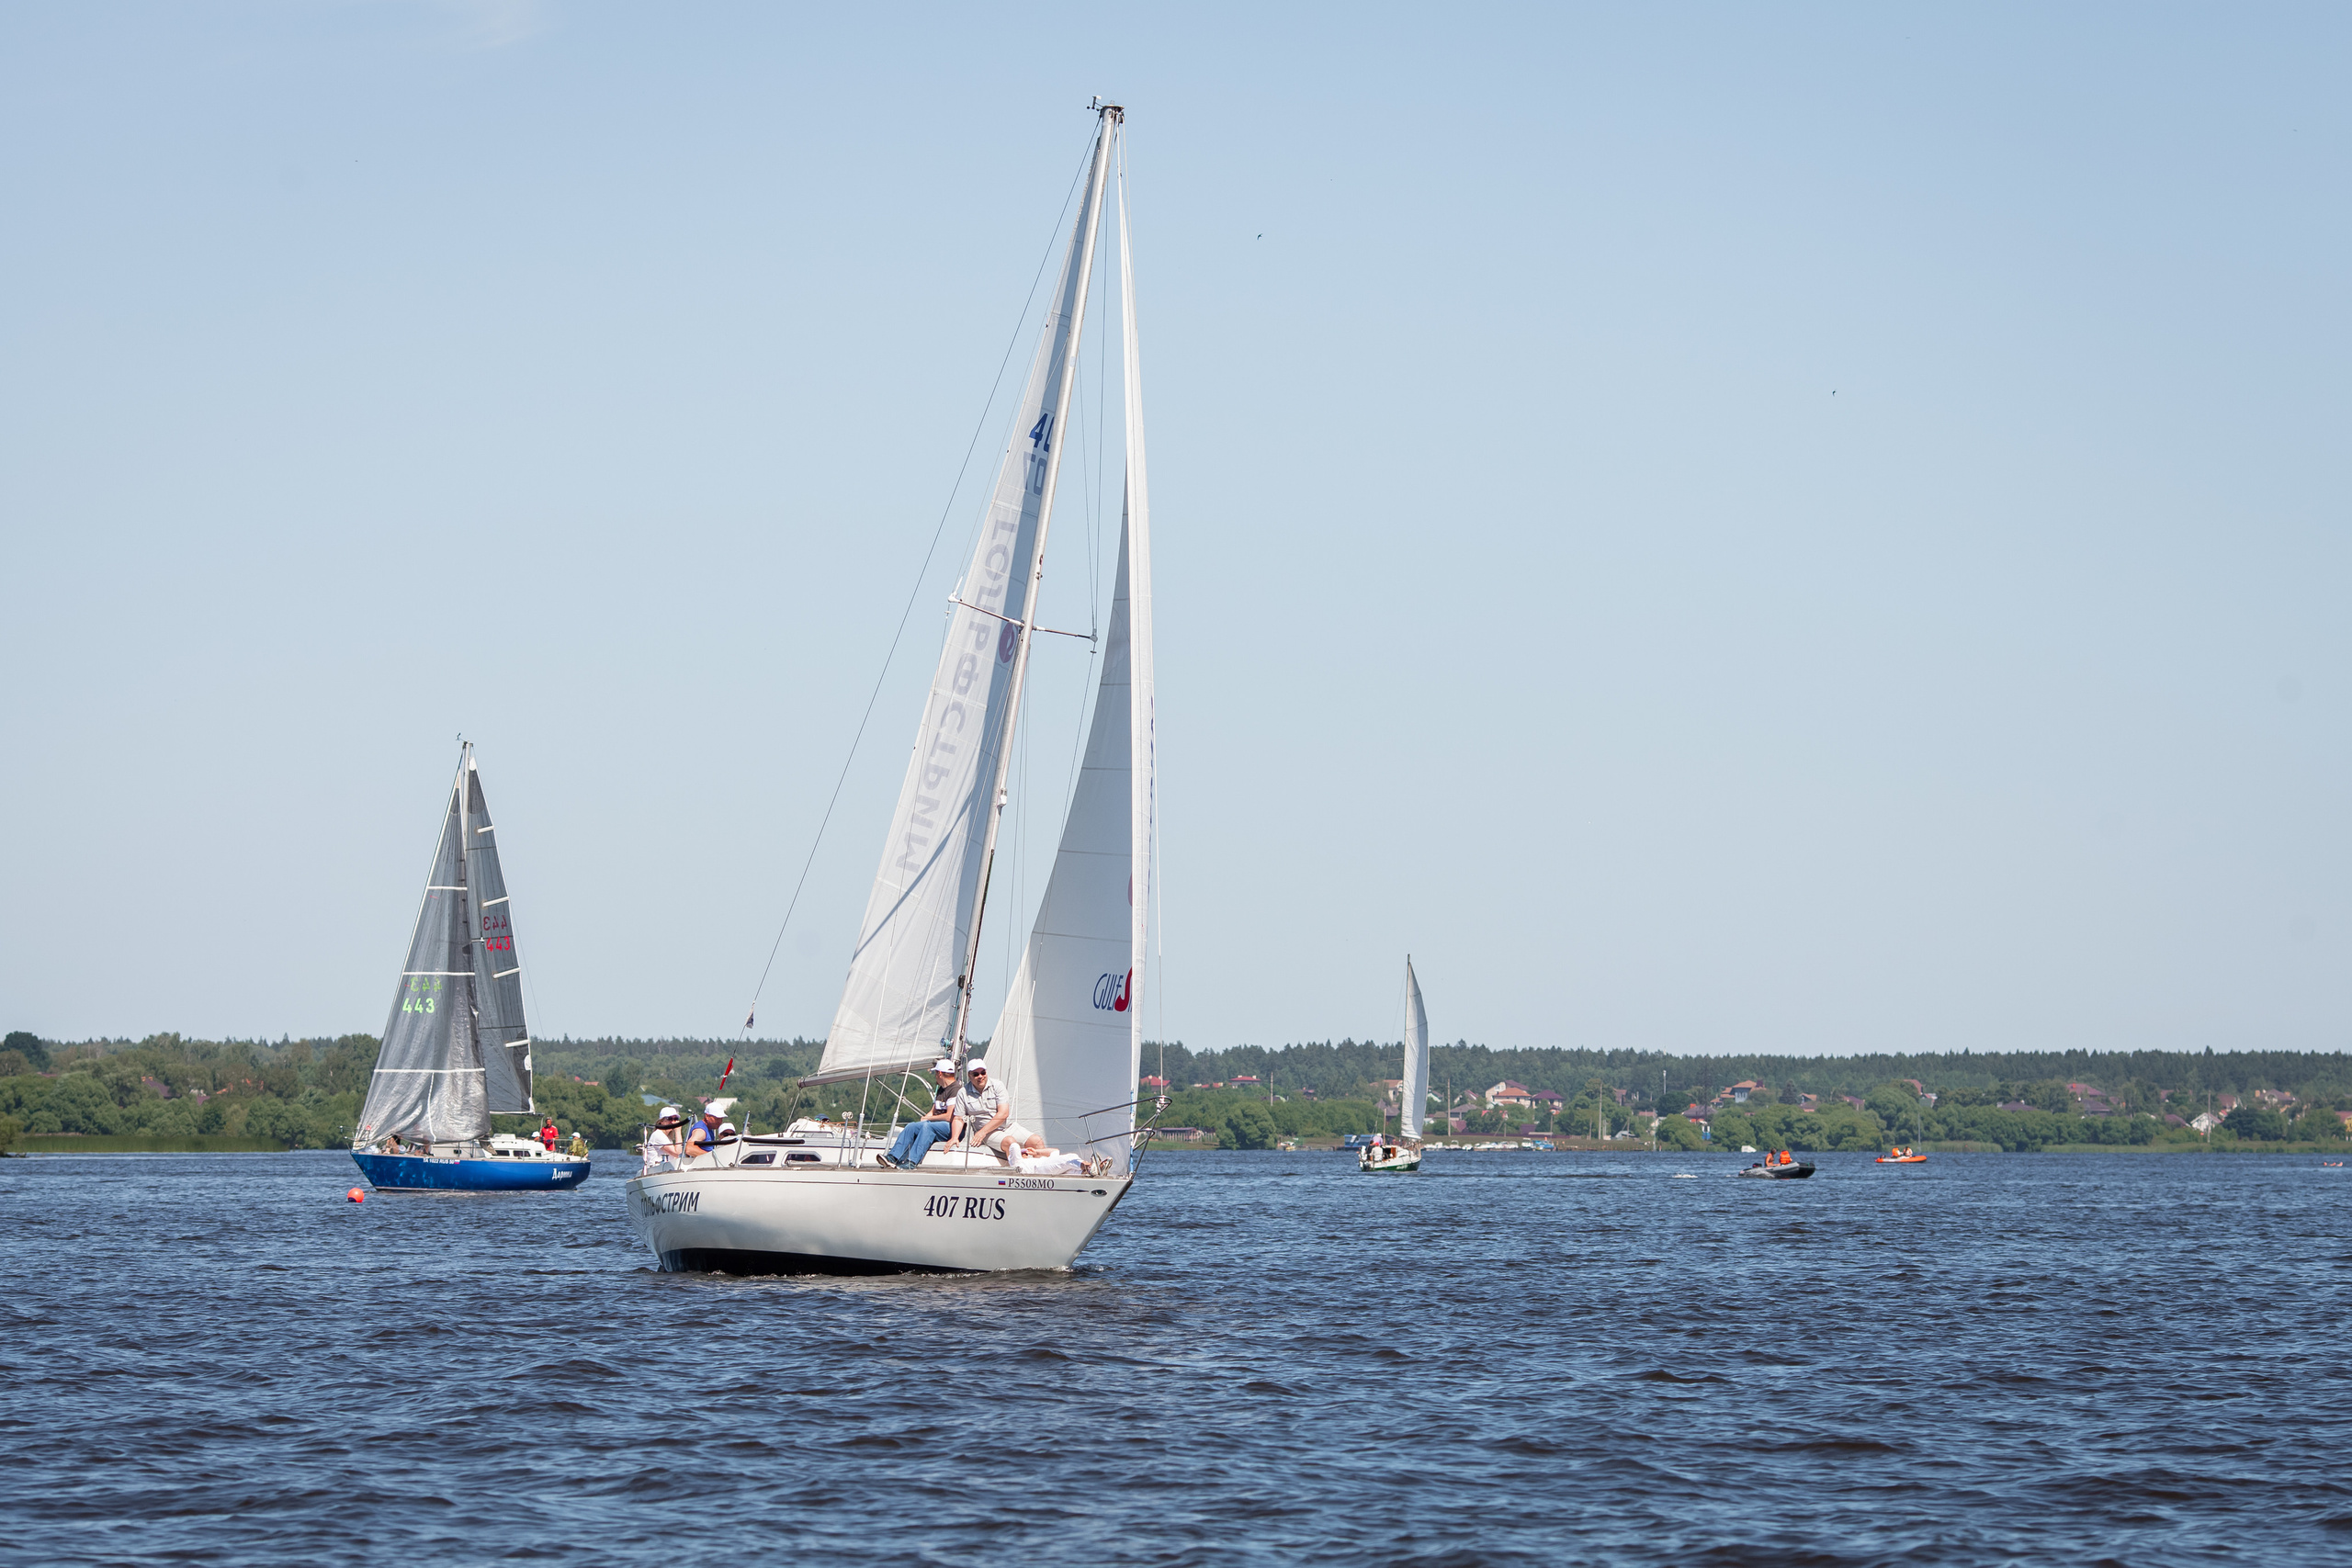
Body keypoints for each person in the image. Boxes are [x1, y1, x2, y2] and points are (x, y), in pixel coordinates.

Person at [878, 1060, 964, 1169]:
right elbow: (933, 1111)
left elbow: (949, 1116)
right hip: (938, 1125)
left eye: (936, 1073)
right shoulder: (941, 1089)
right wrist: (925, 1119)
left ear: (940, 1073)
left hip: (951, 1127)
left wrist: (928, 1119)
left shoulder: (955, 1090)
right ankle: (894, 1157)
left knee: (927, 1126)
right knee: (911, 1126)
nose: (935, 1076)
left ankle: (912, 1162)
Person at [960, 1060, 1035, 1166]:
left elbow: (1003, 1113)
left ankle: (1044, 1177)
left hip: (1006, 1127)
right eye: (976, 1074)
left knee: (1036, 1141)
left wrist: (982, 1132)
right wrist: (954, 1138)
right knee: (1010, 1143)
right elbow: (958, 1118)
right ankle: (1017, 1175)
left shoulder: (997, 1085)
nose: (980, 1076)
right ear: (969, 1075)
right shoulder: (963, 1092)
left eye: (983, 1073)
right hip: (986, 1132)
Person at [642, 1107, 684, 1172]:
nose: (673, 1122)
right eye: (670, 1119)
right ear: (661, 1121)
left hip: (666, 1169)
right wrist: (678, 1131)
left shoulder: (667, 1137)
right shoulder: (658, 1135)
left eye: (675, 1119)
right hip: (655, 1170)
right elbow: (677, 1152)